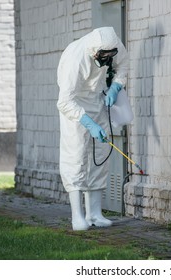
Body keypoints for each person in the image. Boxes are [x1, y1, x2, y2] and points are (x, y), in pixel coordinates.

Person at [56, 27, 128, 230]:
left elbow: (123, 66)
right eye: (103, 57)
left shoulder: (114, 45)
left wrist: (116, 86)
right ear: (94, 51)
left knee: (101, 151)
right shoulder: (75, 58)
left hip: (97, 99)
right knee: (76, 156)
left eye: (109, 57)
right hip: (75, 105)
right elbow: (64, 101)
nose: (106, 60)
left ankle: (94, 214)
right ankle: (77, 216)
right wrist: (88, 123)